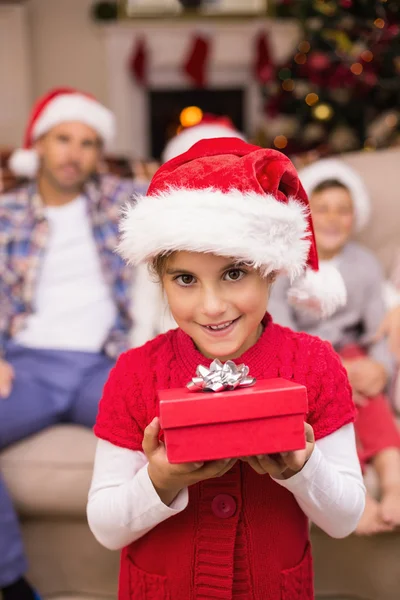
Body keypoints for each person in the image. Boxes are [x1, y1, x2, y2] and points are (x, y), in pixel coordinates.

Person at [87, 139, 365, 600]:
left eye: (234, 273)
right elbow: (106, 527)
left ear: (271, 270)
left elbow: (345, 518)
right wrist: (161, 479)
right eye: (186, 279)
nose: (212, 306)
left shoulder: (314, 364)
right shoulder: (136, 373)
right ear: (160, 278)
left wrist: (302, 467)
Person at [0, 87, 154, 600]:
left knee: (174, 432)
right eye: (63, 138)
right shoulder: (6, 212)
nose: (74, 153)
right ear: (38, 145)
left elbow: (186, 184)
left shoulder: (121, 201)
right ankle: (12, 583)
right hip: (27, 364)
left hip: (104, 364)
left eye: (88, 143)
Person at [269, 158, 400, 536]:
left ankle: (392, 481)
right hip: (303, 357)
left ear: (354, 217)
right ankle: (355, 492)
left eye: (343, 210)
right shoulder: (287, 263)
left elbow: (378, 326)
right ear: (305, 215)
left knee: (369, 398)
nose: (332, 218)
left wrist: (379, 369)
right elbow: (279, 322)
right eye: (322, 209)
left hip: (353, 353)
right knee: (334, 409)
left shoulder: (364, 264)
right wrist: (331, 370)